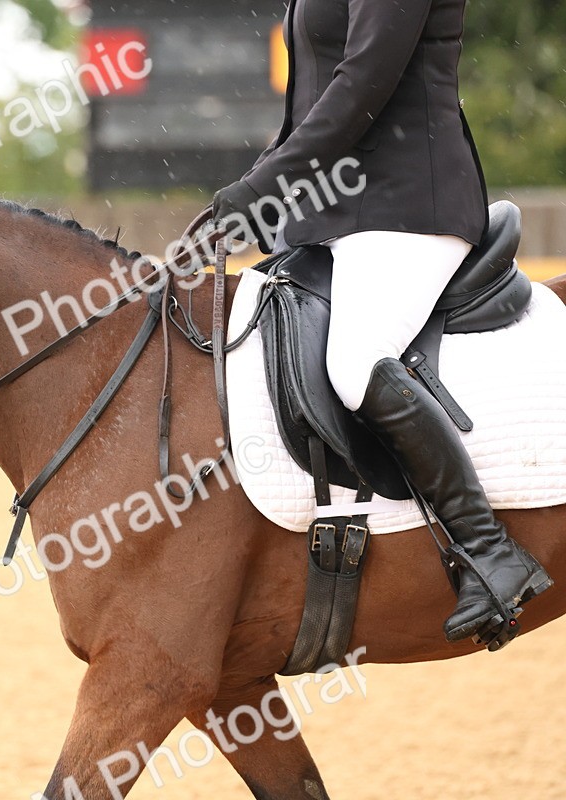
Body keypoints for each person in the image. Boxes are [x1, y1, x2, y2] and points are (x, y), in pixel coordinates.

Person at [212, 0, 551, 645]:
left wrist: (263, 187)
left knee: (354, 360)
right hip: (336, 219)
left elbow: (363, 82)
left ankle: (492, 555)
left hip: (410, 209)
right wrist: (263, 191)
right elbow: (307, 105)